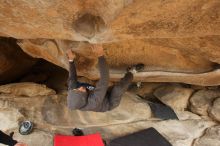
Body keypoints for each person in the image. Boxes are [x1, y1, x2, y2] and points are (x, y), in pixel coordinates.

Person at [66, 44, 144, 112]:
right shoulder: (94, 102)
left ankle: (130, 86)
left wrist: (71, 60)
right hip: (109, 102)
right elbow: (104, 79)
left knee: (100, 86)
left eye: (76, 89)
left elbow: (72, 77)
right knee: (118, 89)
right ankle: (132, 72)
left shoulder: (73, 91)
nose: (80, 88)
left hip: (96, 93)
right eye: (80, 91)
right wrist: (100, 55)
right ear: (83, 98)